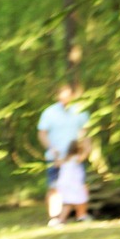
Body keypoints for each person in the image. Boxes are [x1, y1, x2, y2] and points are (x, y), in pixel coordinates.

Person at [37, 84, 90, 227]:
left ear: (72, 96)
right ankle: (55, 218)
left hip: (75, 158)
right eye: (62, 96)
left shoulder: (80, 111)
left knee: (79, 185)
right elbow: (42, 134)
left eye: (68, 96)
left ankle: (82, 215)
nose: (65, 99)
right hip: (56, 158)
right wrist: (51, 149)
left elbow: (86, 133)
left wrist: (85, 151)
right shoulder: (49, 113)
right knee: (55, 187)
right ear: (57, 96)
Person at [57, 139, 90, 222]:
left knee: (70, 202)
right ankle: (81, 216)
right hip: (72, 184)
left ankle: (63, 219)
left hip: (64, 183)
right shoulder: (76, 158)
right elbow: (86, 154)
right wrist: (88, 144)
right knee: (81, 198)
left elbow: (57, 164)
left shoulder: (65, 159)